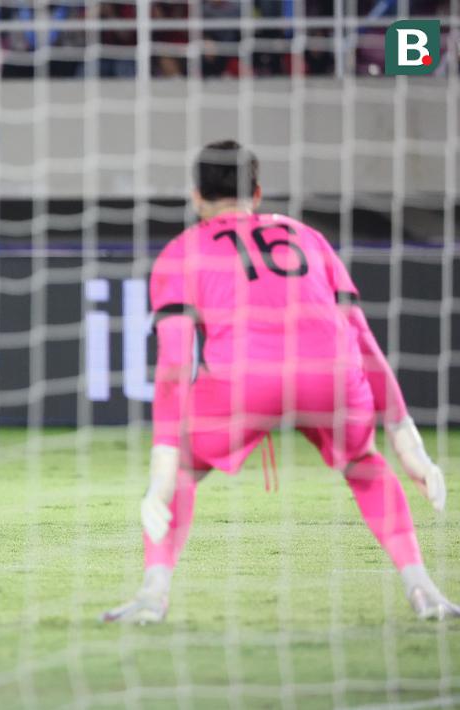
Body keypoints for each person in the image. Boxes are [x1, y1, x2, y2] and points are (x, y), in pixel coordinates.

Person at [103, 140, 455, 624]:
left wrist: (164, 463)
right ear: (257, 193)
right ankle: (422, 587)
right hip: (332, 373)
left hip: (245, 379)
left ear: (196, 197)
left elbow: (174, 365)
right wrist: (405, 437)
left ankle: (152, 594)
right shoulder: (309, 237)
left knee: (183, 471)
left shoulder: (182, 251)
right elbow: (362, 337)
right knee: (364, 464)